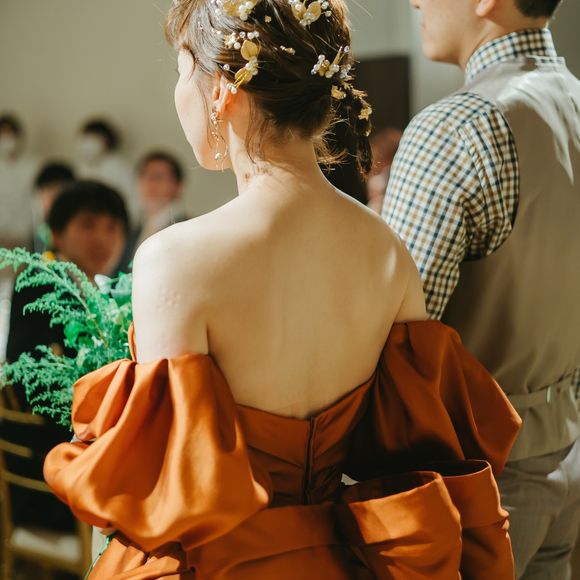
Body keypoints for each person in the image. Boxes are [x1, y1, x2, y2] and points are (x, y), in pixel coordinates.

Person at [44, 1, 520, 578]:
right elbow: (415, 447)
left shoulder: (174, 260)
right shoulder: (387, 252)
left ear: (223, 89)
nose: (179, 92)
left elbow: (167, 492)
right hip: (344, 558)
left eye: (182, 70)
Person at [381, 0, 580, 577]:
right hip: (566, 452)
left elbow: (392, 331)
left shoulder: (456, 126)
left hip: (482, 480)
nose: (415, 1)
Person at [4, 180, 129, 534]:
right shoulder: (44, 281)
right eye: (88, 224)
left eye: (112, 227)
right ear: (57, 233)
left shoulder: (99, 292)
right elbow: (40, 382)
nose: (102, 238)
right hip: (48, 470)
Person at [116, 151, 188, 272]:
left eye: (158, 177)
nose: (149, 183)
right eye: (144, 176)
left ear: (178, 186)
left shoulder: (187, 228)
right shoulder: (130, 231)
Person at [76, 118, 137, 223]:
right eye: (86, 137)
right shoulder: (83, 167)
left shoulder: (118, 166)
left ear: (106, 140)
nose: (88, 143)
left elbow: (132, 197)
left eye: (93, 137)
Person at [0, 113, 38, 249]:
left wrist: (20, 234)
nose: (6, 140)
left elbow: (32, 203)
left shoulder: (31, 167)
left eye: (9, 134)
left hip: (23, 237)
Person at [31, 161, 76, 253]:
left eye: (59, 191)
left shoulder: (78, 233)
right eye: (48, 192)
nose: (54, 199)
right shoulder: (40, 234)